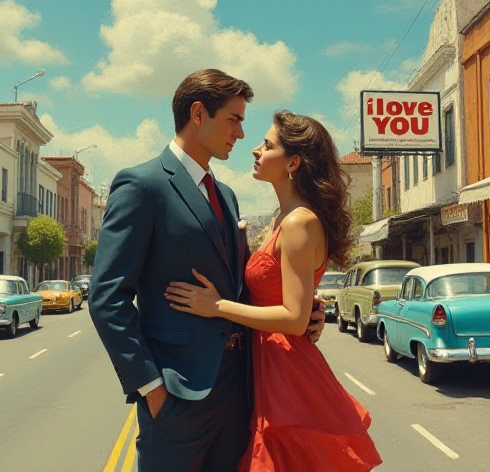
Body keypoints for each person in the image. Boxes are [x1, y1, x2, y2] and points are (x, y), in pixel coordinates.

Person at [88, 70, 325, 472]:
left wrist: (303, 312)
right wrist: (151, 387)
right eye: (233, 119)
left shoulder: (227, 196)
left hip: (240, 392)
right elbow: (107, 298)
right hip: (177, 396)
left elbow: (238, 289)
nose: (241, 133)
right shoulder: (142, 185)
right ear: (199, 113)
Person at [165, 110, 383, 472]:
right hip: (269, 364)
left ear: (293, 162)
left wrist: (217, 306)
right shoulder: (282, 220)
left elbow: (294, 320)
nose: (255, 149)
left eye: (267, 145)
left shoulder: (299, 222)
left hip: (288, 372)